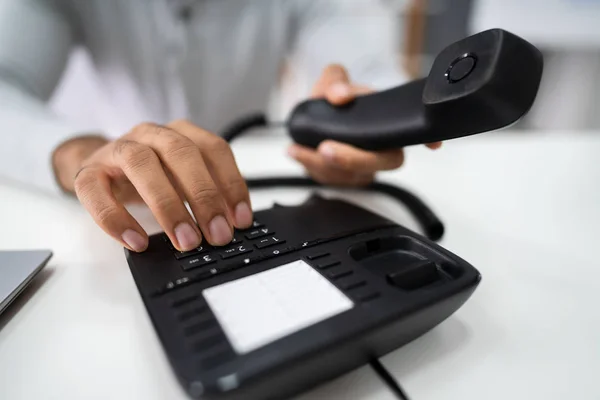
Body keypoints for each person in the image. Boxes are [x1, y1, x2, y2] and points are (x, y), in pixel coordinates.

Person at [0, 0, 440, 253]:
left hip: (247, 201)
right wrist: (75, 150)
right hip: (119, 203)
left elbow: (365, 69)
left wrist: (369, 121)